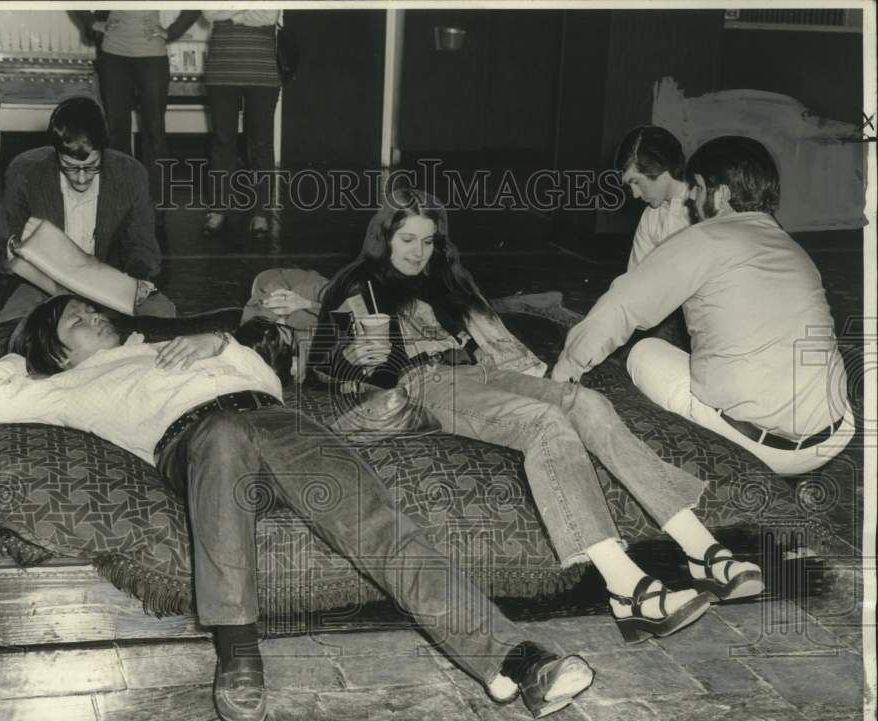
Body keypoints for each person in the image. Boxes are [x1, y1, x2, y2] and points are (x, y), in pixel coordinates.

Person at [0, 294, 598, 721]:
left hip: (280, 425)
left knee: (379, 525)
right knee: (227, 438)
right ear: (56, 351)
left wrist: (216, 343)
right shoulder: (63, 387)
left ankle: (514, 660)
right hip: (202, 445)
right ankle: (239, 656)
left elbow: (266, 376)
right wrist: (20, 354)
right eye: (75, 320)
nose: (94, 315)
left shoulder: (170, 343)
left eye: (92, 308)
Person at [310, 189, 763, 645]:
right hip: (426, 383)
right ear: (384, 237)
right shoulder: (358, 284)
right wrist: (352, 358)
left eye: (428, 242)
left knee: (586, 403)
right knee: (544, 423)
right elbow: (322, 367)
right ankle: (626, 588)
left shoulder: (440, 275)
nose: (417, 252)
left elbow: (487, 333)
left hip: (481, 371)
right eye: (407, 240)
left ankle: (702, 549)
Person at [552, 137, 854, 476]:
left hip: (766, 450)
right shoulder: (796, 249)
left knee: (645, 352)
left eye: (696, 190)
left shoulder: (703, 237)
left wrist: (563, 371)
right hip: (834, 433)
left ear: (720, 194)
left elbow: (622, 306)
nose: (692, 202)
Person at [0, 96, 175, 321]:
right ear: (55, 153)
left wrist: (133, 284)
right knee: (12, 326)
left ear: (103, 150)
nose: (81, 178)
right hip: (44, 283)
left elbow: (142, 246)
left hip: (112, 278)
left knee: (162, 316)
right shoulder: (25, 171)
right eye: (69, 167)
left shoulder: (131, 174)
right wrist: (16, 246)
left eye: (92, 166)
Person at [73, 11, 202, 206]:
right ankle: (122, 201)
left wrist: (173, 31)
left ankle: (156, 204)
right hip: (113, 56)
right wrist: (92, 22)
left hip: (152, 58)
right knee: (116, 131)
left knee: (155, 132)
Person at [200, 9, 282, 237]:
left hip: (262, 72)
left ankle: (262, 214)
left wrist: (230, 12)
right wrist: (247, 11)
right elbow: (209, 12)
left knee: (261, 145)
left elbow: (269, 16)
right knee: (222, 142)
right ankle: (218, 209)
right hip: (221, 71)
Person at [616, 126, 692, 268]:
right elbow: (635, 276)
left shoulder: (704, 209)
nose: (635, 194)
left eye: (637, 182)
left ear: (659, 167)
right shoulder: (650, 216)